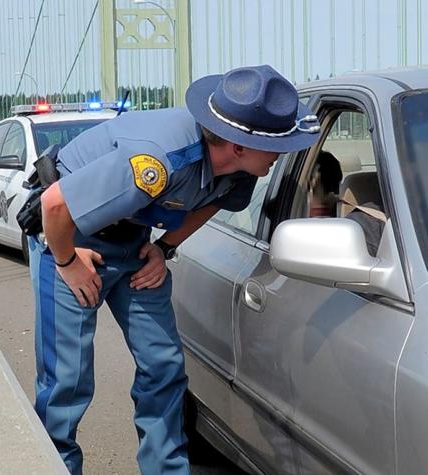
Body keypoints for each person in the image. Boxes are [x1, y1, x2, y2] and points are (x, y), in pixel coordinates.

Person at [28, 65, 321, 475]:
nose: (285, 154)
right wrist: (67, 262)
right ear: (238, 145)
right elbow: (55, 205)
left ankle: (166, 469)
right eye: (278, 145)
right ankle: (56, 467)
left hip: (133, 240)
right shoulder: (158, 160)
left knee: (163, 364)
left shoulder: (242, 168)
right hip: (69, 235)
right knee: (67, 379)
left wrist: (164, 247)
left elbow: (213, 200)